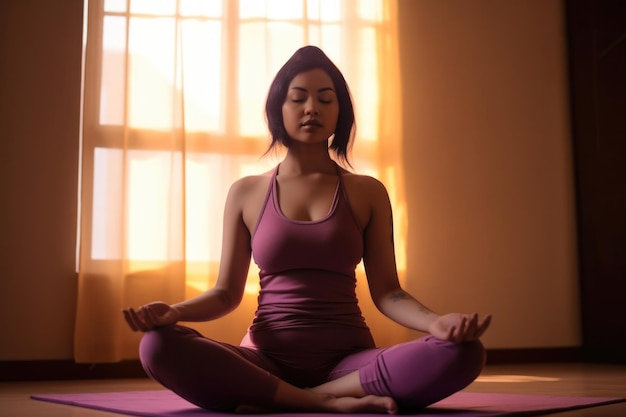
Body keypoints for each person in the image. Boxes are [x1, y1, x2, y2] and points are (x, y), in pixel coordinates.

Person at [123, 45, 491, 414]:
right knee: (157, 346)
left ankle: (285, 397)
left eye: (325, 99)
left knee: (464, 352)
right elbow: (224, 293)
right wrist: (174, 312)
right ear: (278, 111)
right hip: (264, 361)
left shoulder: (367, 192)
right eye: (298, 98)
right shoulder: (246, 192)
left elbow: (389, 293)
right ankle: (322, 401)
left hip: (349, 364)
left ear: (339, 113)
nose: (311, 108)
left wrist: (437, 323)